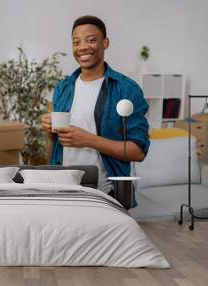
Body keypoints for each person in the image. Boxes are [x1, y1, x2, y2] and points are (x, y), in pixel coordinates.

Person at [41, 15, 149, 206]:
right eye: (76, 42)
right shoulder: (62, 88)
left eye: (91, 40)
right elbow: (57, 143)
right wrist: (49, 129)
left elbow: (138, 151)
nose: (83, 47)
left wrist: (89, 140)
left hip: (106, 193)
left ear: (105, 43)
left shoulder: (126, 89)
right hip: (64, 189)